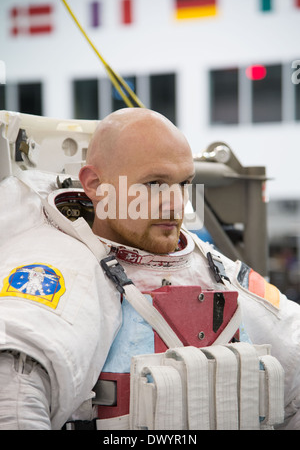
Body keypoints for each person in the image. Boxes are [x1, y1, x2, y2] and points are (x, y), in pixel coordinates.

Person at [0, 107, 298, 429]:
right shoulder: (59, 264)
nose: (175, 204)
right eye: (155, 183)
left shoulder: (210, 265)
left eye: (184, 183)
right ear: (96, 185)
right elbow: (14, 397)